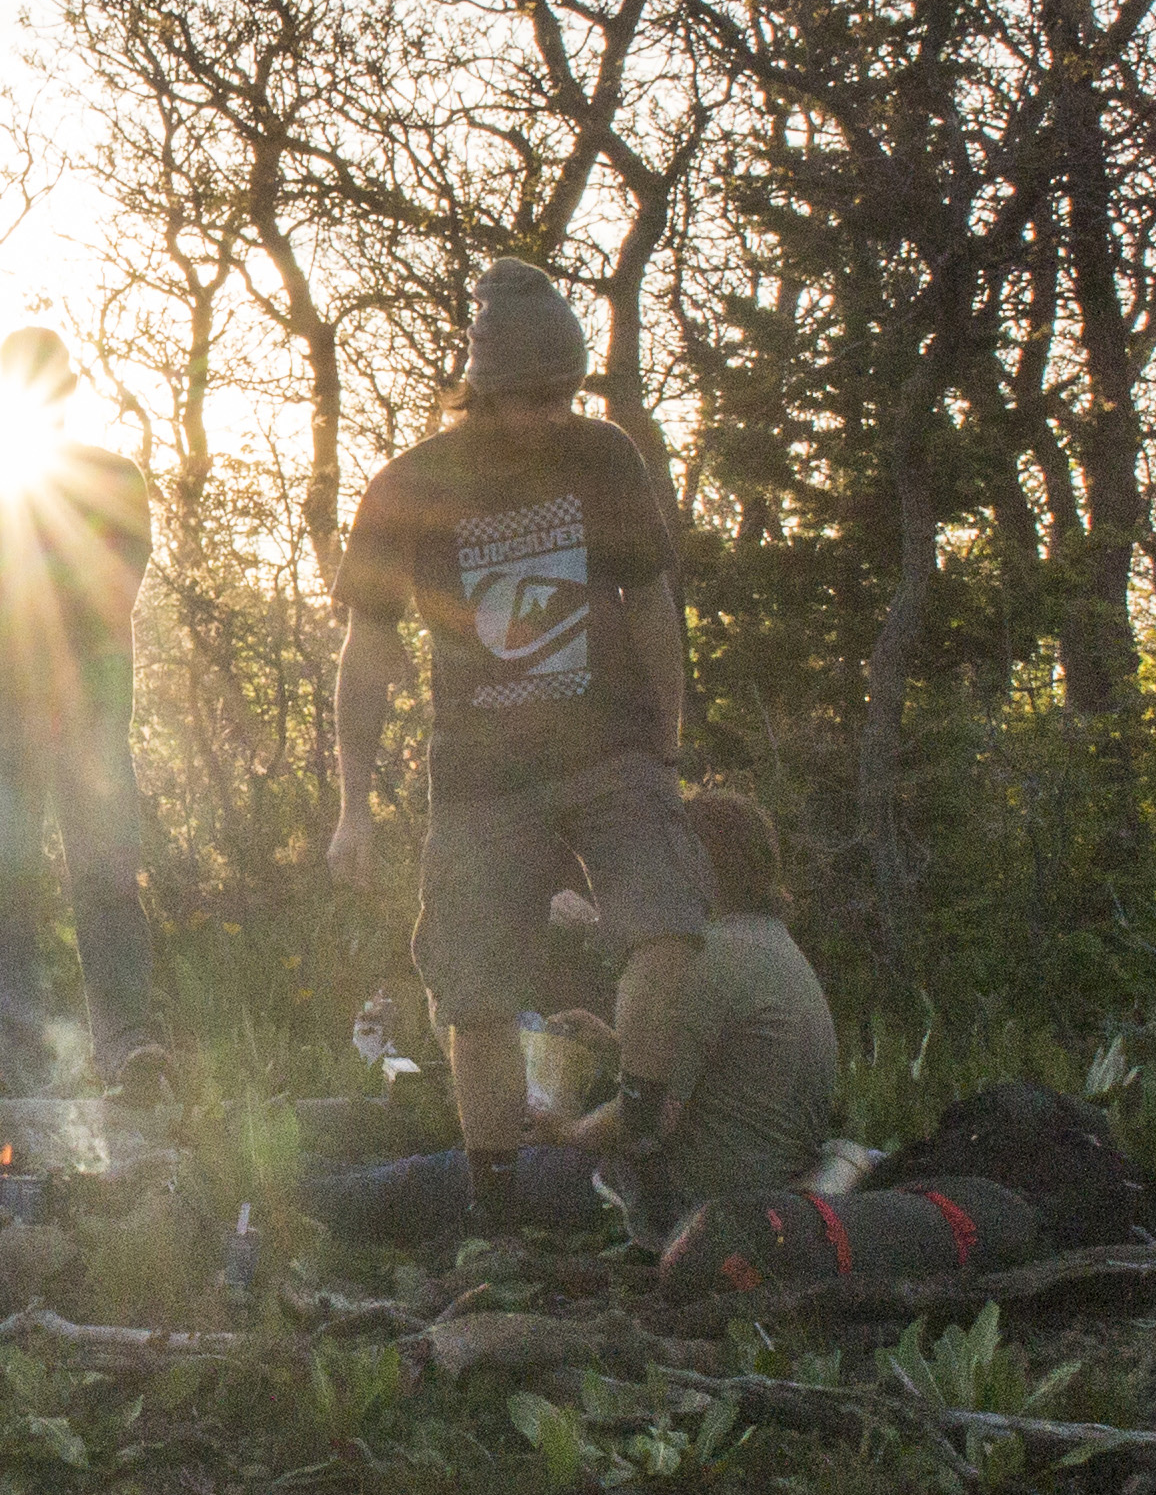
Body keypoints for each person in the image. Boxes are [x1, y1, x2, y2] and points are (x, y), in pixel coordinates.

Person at [324, 260, 712, 1242]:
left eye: (568, 393)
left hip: (609, 746)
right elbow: (367, 650)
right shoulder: (410, 487)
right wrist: (352, 804)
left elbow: (652, 600)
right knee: (474, 993)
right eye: (535, 396)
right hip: (482, 779)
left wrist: (668, 737)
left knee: (667, 926)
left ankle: (644, 1148)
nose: (555, 413)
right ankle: (495, 1217)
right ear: (485, 390)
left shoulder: (604, 458)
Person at [309, 785, 833, 1249]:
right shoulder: (771, 947)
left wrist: (565, 1132)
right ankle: (324, 1172)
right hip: (748, 1180)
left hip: (675, 1199)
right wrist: (610, 1045)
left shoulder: (706, 961)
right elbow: (710, 1076)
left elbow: (644, 1121)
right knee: (464, 1140)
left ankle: (305, 1201)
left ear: (698, 867)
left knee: (462, 1174)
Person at [0, 326, 162, 1092]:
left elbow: (113, 591)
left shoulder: (115, 477)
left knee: (107, 884)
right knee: (10, 898)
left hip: (90, 714)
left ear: (67, 391)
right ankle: (22, 1071)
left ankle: (127, 1052)